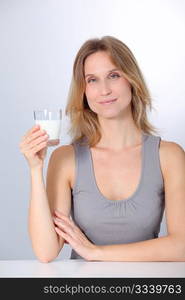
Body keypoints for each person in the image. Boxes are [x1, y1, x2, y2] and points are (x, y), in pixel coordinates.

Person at [19, 36, 185, 262]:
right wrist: (35, 170)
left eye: (113, 76)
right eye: (92, 80)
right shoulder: (65, 158)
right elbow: (46, 252)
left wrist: (96, 253)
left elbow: (182, 246)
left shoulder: (169, 156)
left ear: (131, 80)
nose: (104, 90)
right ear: (84, 92)